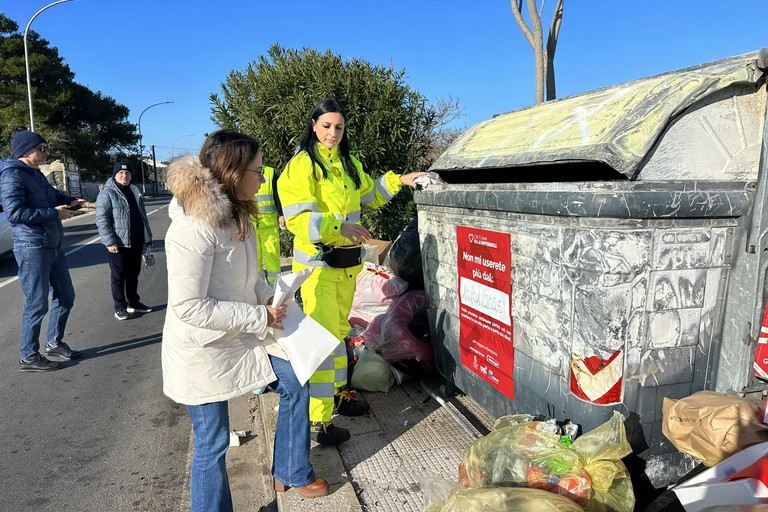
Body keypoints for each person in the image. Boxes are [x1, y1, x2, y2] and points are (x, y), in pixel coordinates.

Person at [163, 129, 327, 511]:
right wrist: (259, 315)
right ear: (233, 172)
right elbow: (189, 307)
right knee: (212, 441)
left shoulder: (239, 215)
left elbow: (249, 279)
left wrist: (271, 297)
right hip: (201, 348)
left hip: (242, 332)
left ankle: (291, 472)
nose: (263, 177)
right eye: (257, 170)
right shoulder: (192, 229)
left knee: (294, 382)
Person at [278, 98, 427, 444]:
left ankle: (338, 397)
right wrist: (337, 228)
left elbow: (369, 195)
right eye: (327, 126)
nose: (333, 133)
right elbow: (299, 220)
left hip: (346, 269)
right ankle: (318, 422)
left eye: (339, 127)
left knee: (340, 334)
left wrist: (400, 180)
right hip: (318, 271)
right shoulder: (302, 166)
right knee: (324, 343)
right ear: (313, 125)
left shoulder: (347, 163)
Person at [0, 130, 84, 371]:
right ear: (26, 152)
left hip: (52, 243)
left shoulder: (35, 173)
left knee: (66, 296)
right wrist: (54, 213)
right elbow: (15, 214)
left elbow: (51, 196)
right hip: (32, 246)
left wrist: (72, 201)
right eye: (42, 148)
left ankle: (54, 343)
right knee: (37, 303)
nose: (47, 152)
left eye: (46, 147)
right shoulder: (12, 175)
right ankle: (28, 356)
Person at [95, 162, 154, 320]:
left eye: (127, 173)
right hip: (119, 243)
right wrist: (109, 241)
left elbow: (142, 217)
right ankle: (120, 307)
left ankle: (134, 303)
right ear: (114, 176)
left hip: (136, 240)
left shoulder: (134, 191)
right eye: (120, 173)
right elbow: (102, 219)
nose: (124, 176)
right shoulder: (107, 193)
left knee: (134, 274)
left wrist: (147, 238)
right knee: (118, 275)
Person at [251, 165, 284, 286]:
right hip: (252, 224)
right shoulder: (244, 171)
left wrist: (281, 214)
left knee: (272, 255)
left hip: (269, 224)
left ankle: (275, 289)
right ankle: (259, 288)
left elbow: (278, 195)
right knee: (254, 258)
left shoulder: (270, 172)